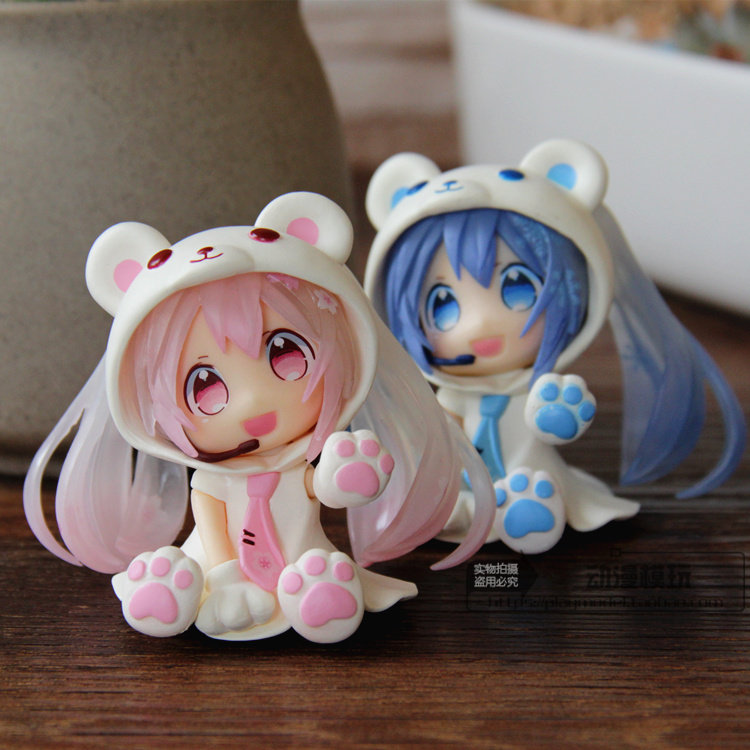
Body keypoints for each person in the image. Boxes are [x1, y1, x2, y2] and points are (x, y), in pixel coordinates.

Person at [364, 139, 746, 554]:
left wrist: (555, 416)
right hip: (464, 483)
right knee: (443, 500)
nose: (480, 324)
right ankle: (474, 509)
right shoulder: (452, 395)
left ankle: (526, 507)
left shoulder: (540, 390)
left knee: (535, 468)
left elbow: (552, 427)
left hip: (531, 471)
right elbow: (433, 430)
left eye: (516, 287)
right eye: (443, 305)